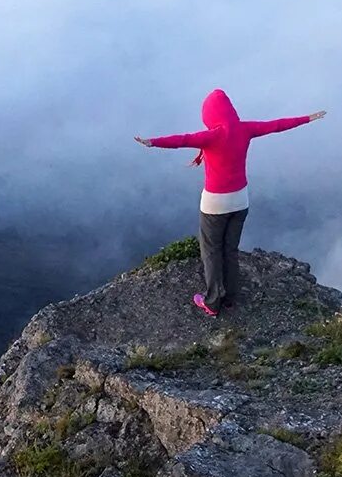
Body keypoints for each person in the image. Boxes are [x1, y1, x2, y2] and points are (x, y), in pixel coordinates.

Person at [136, 89, 326, 316]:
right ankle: (230, 299)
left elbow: (183, 140)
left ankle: (212, 301)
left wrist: (152, 142)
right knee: (230, 249)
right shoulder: (245, 129)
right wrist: (307, 118)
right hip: (240, 200)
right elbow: (276, 125)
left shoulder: (213, 136)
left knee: (211, 251)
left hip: (215, 203)